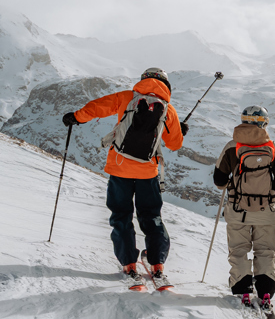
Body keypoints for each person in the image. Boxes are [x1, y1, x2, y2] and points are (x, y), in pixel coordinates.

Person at [63, 67, 186, 288]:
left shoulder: (126, 97)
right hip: (148, 172)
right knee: (151, 216)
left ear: (143, 80)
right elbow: (174, 144)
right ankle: (157, 264)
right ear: (166, 85)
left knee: (121, 216)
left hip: (119, 169)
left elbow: (97, 107)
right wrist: (180, 130)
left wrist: (76, 117)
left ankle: (129, 264)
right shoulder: (169, 110)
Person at [212, 105, 275, 305]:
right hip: (266, 210)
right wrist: (272, 198)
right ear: (264, 123)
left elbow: (219, 181)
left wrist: (232, 186)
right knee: (265, 249)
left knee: (238, 249)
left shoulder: (232, 147)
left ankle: (242, 288)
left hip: (238, 209)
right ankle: (265, 291)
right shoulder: (273, 148)